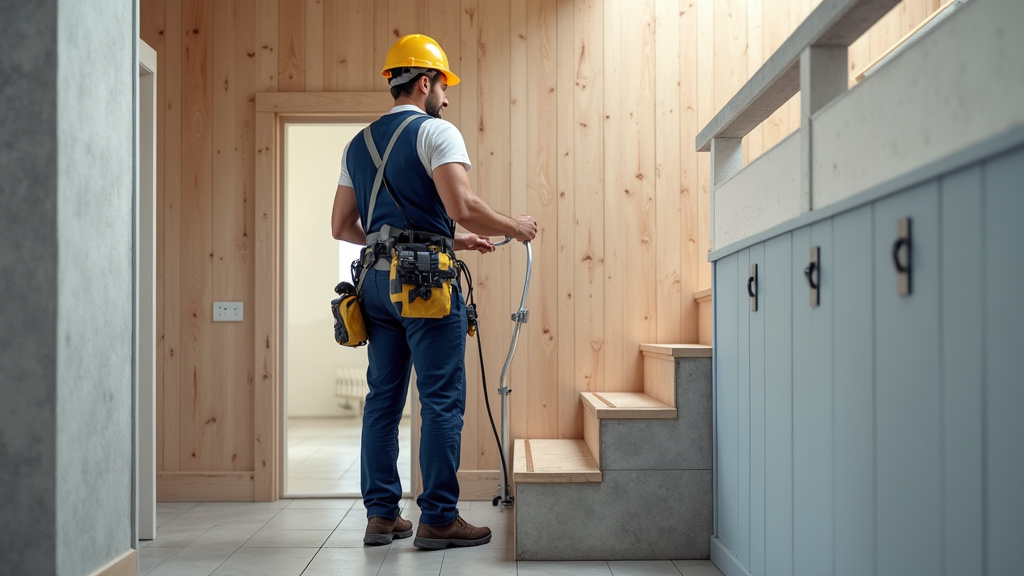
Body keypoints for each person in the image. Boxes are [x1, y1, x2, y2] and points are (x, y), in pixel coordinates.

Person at [331, 33, 537, 550]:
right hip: (423, 286)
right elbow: (462, 203)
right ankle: (439, 519)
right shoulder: (436, 134)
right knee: (441, 400)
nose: (446, 99)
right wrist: (514, 226)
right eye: (443, 88)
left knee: (382, 399)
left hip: (373, 284)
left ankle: (382, 516)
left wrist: (444, 238)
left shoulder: (357, 144)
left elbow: (343, 226)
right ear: (424, 83)